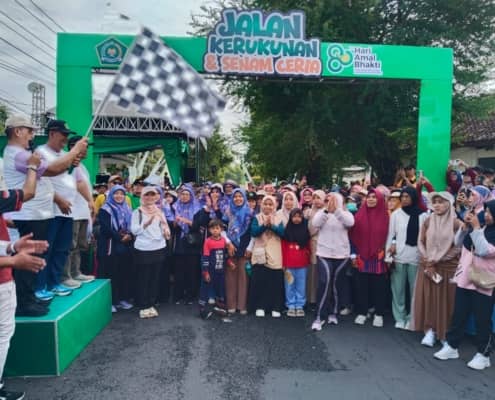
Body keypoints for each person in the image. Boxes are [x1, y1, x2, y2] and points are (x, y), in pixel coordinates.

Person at [3, 116, 87, 315]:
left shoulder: (25, 153)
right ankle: (24, 303)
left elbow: (53, 170)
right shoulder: (18, 155)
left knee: (35, 257)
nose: (32, 135)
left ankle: (29, 298)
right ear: (17, 131)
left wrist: (70, 158)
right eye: (29, 130)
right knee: (27, 259)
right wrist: (75, 150)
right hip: (28, 214)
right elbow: (52, 169)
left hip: (36, 214)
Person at [434, 200, 495, 371]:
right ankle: (452, 346)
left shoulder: (483, 231)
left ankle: (483, 354)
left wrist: (475, 228)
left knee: (482, 320)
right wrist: (464, 228)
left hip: (485, 282)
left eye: (490, 213)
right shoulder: (481, 228)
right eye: (486, 211)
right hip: (466, 278)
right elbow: (458, 242)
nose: (486, 215)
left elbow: (484, 250)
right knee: (459, 315)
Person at [413, 192, 461, 347]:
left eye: (441, 202)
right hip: (429, 267)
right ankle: (430, 331)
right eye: (435, 202)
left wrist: (441, 258)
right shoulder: (428, 221)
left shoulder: (456, 223)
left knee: (446, 301)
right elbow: (420, 241)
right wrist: (427, 257)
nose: (437, 205)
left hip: (447, 267)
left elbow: (459, 246)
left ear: (449, 203)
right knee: (429, 299)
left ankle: (445, 333)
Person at [311, 192, 354, 331]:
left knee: (336, 284)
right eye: (327, 200)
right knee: (324, 282)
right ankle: (319, 316)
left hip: (341, 254)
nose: (329, 202)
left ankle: (333, 312)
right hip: (324, 253)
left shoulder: (345, 213)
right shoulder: (321, 213)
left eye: (333, 200)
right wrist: (326, 211)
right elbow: (315, 223)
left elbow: (350, 223)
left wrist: (337, 211)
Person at [385, 187, 427, 330]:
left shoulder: (423, 215)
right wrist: (388, 256)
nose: (404, 199)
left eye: (407, 196)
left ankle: (412, 317)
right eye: (402, 197)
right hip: (399, 256)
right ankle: (399, 317)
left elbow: (425, 237)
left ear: (414, 198)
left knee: (414, 290)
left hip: (416, 256)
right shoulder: (396, 214)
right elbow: (391, 235)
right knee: (398, 290)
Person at [350, 188, 389, 328]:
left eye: (374, 197)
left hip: (379, 255)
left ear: (380, 200)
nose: (371, 199)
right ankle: (362, 312)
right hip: (362, 255)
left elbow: (391, 235)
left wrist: (386, 251)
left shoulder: (386, 217)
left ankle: (378, 313)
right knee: (362, 285)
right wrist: (353, 254)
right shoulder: (359, 215)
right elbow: (352, 236)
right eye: (369, 197)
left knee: (379, 286)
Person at [131, 185, 170, 318]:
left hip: (158, 247)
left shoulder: (159, 211)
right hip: (143, 249)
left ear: (156, 197)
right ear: (142, 196)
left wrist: (166, 231)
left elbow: (164, 226)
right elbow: (134, 230)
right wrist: (146, 224)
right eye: (147, 194)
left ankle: (151, 303)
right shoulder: (137, 212)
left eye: (152, 194)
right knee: (143, 278)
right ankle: (143, 305)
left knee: (155, 277)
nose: (149, 197)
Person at [61, 135, 95, 288]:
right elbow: (78, 185)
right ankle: (65, 276)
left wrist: (89, 207)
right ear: (74, 146)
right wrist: (90, 200)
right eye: (84, 146)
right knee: (70, 245)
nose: (86, 149)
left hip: (82, 212)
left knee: (79, 245)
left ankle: (76, 272)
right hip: (71, 212)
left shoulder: (83, 167)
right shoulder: (68, 164)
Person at [98, 185, 134, 313]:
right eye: (116, 193)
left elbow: (132, 225)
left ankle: (121, 299)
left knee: (123, 273)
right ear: (111, 195)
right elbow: (106, 228)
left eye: (122, 193)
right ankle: (110, 301)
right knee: (110, 273)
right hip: (110, 246)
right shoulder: (105, 209)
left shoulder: (127, 208)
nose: (119, 196)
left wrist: (129, 235)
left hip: (124, 246)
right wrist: (120, 237)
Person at [249, 195, 285, 318]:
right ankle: (260, 306)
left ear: (274, 206)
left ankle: (275, 307)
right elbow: (254, 232)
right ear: (261, 205)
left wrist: (272, 226)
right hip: (260, 252)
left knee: (274, 281)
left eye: (270, 204)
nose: (268, 206)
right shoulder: (257, 217)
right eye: (265, 204)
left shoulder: (279, 218)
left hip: (275, 252)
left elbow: (282, 233)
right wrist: (264, 225)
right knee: (260, 281)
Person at [223, 189, 253, 315]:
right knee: (230, 277)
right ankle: (231, 304)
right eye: (235, 196)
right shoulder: (228, 212)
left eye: (240, 196)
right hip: (231, 247)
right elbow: (222, 229)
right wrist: (228, 243)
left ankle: (242, 305)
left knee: (243, 277)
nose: (238, 199)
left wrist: (250, 248)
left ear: (244, 198)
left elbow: (253, 233)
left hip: (245, 248)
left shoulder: (250, 213)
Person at [172, 185, 201, 304]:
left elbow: (198, 225)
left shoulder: (197, 208)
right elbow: (173, 228)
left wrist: (187, 221)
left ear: (191, 196)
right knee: (179, 270)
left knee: (191, 270)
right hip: (180, 243)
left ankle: (190, 296)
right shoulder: (175, 207)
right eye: (182, 194)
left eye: (187, 194)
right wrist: (175, 223)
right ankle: (178, 295)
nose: (184, 196)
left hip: (192, 242)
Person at [282, 208, 310, 317]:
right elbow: (283, 249)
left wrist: (307, 258)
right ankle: (290, 305)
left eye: (299, 216)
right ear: (291, 218)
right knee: (289, 285)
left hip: (302, 264)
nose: (297, 219)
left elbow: (308, 248)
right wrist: (284, 263)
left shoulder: (305, 231)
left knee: (301, 285)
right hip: (289, 264)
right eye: (294, 216)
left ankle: (299, 305)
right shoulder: (287, 231)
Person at [198, 219, 228, 319]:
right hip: (210, 271)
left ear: (221, 230)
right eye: (212, 228)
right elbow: (205, 257)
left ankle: (219, 307)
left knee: (220, 289)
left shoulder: (223, 241)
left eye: (217, 228)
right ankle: (202, 310)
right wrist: (205, 272)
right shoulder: (208, 242)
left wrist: (229, 262)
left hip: (220, 270)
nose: (215, 230)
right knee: (205, 290)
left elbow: (225, 255)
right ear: (209, 230)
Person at [306, 190, 326, 308]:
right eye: (314, 198)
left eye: (319, 198)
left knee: (323, 273)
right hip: (313, 244)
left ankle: (323, 299)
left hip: (325, 244)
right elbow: (310, 229)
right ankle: (312, 299)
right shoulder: (309, 212)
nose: (316, 200)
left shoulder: (328, 211)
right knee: (313, 273)